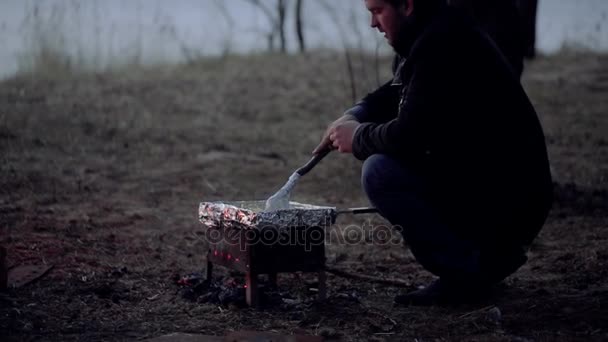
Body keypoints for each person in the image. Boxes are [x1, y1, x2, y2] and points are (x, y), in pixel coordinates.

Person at [313, 0, 552, 305]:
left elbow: (408, 135)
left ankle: (468, 275)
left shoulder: (444, 41)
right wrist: (355, 114)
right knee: (389, 166)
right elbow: (401, 89)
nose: (373, 24)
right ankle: (480, 263)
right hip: (496, 184)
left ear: (407, 5)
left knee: (381, 172)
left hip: (511, 198)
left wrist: (358, 137)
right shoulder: (434, 31)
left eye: (377, 11)